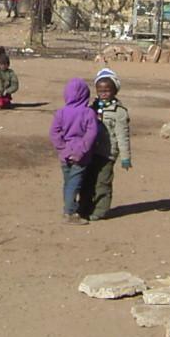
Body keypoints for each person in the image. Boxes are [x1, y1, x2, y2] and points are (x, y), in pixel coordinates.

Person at [80, 68, 132, 221]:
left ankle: (100, 210)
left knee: (102, 182)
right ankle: (84, 207)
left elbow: (123, 136)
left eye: (107, 90)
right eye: (100, 90)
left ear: (115, 90)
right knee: (87, 180)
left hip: (107, 154)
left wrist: (125, 157)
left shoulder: (119, 112)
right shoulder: (91, 108)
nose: (103, 93)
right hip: (90, 152)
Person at [49, 78, 98, 226]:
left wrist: (63, 148)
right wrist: (80, 150)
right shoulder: (88, 113)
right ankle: (69, 212)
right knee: (73, 184)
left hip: (65, 155)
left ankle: (69, 208)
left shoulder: (61, 113)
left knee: (68, 183)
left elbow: (54, 132)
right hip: (80, 156)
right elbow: (92, 134)